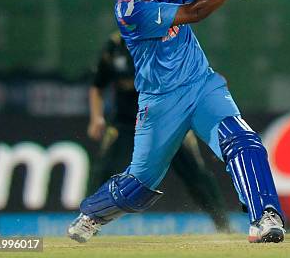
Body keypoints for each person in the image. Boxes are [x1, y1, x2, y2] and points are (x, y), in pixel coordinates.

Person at [67, 0, 285, 243]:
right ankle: (92, 214)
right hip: (160, 103)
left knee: (243, 142)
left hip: (201, 84)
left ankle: (265, 216)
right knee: (139, 186)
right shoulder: (129, 11)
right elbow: (195, 12)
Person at [87, 31, 230, 231]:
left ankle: (223, 224)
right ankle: (88, 221)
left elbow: (195, 76)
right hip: (125, 123)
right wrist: (97, 118)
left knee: (195, 175)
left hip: (167, 121)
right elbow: (97, 86)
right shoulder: (115, 47)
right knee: (103, 171)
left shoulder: (165, 40)